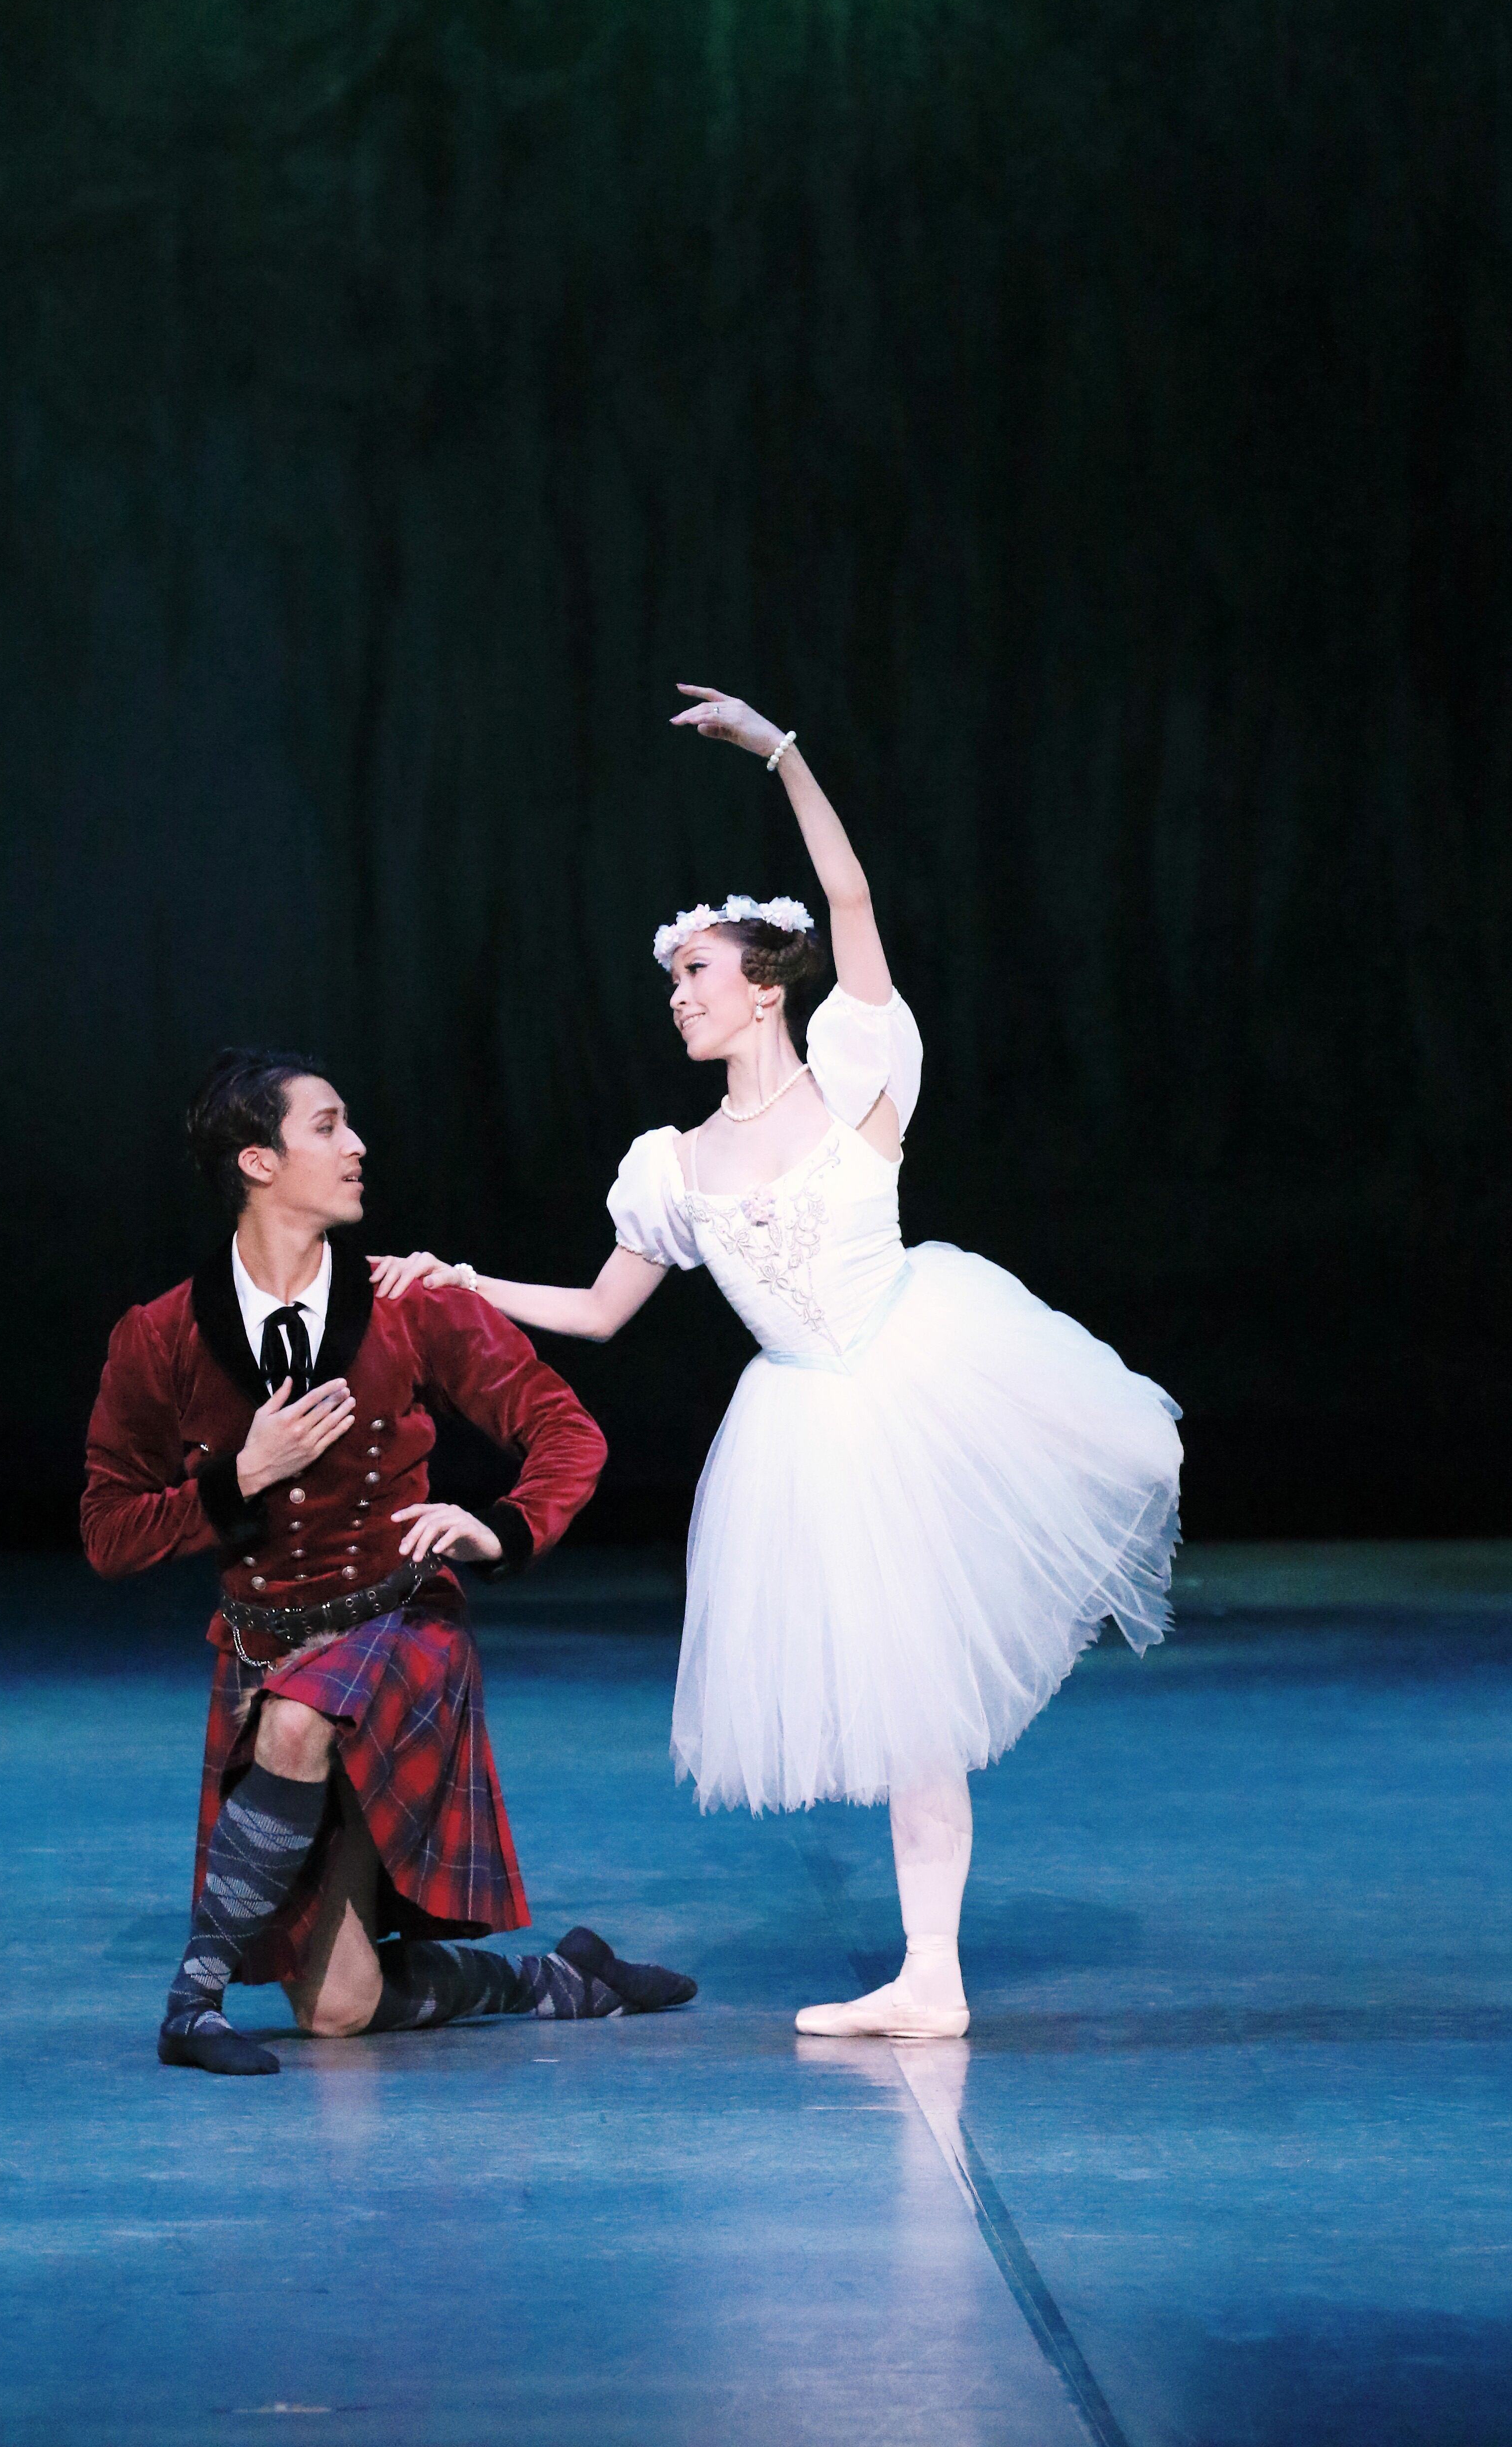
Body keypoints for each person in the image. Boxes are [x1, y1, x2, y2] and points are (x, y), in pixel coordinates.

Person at [372, 690, 1183, 2041]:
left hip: (923, 1385)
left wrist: (785, 754)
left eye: (694, 973)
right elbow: (599, 1311)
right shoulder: (673, 1166)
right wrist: (464, 1279)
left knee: (927, 1703)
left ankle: (931, 1972)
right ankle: (932, 1978)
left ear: (760, 985)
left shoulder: (858, 1076)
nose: (676, 996)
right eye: (671, 981)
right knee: (905, 1710)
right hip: (808, 1433)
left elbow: (849, 898)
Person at [82, 1046, 696, 2075]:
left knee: (299, 1718)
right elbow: (109, 1532)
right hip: (266, 1643)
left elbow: (565, 1431)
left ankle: (191, 2003)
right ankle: (560, 1978)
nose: (358, 1145)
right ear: (258, 1162)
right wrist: (242, 1476)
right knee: (338, 2012)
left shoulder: (414, 1305)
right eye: (327, 1127)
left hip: (399, 1623)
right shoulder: (162, 1337)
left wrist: (501, 1526)